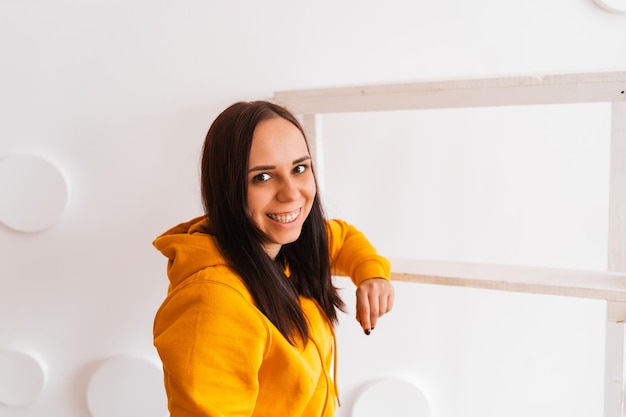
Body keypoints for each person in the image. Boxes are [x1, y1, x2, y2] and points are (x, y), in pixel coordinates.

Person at [153, 100, 395, 417]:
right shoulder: (213, 301)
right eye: (263, 177)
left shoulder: (283, 245)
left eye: (299, 168)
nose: (291, 193)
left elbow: (342, 238)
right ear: (227, 188)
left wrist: (371, 275)